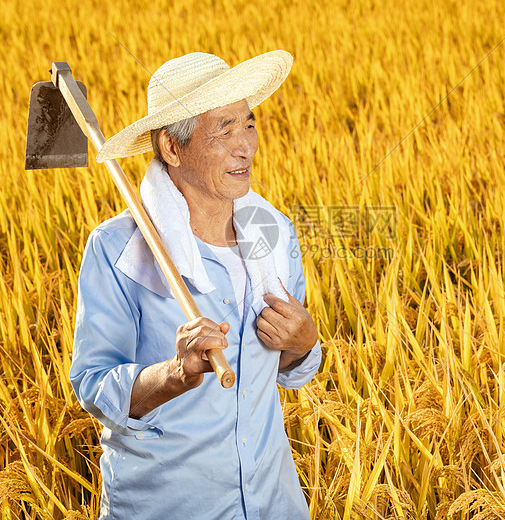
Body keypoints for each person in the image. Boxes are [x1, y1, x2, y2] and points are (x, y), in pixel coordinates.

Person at [69, 50, 322, 519]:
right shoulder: (117, 249)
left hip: (271, 501)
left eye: (247, 124)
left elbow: (290, 368)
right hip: (170, 505)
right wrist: (174, 373)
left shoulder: (274, 232)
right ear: (172, 147)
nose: (245, 146)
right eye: (223, 131)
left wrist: (304, 342)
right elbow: (93, 385)